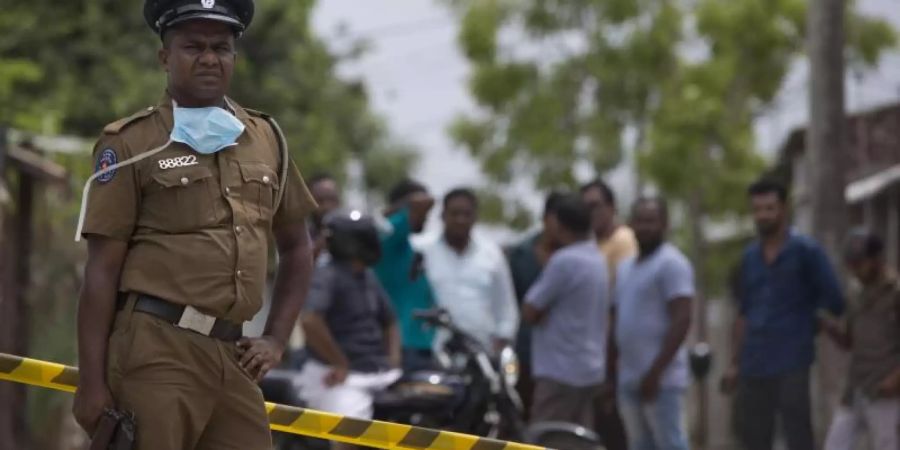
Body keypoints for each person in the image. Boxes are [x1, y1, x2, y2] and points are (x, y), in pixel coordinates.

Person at [72, 1, 317, 448]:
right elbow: (102, 270)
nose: (209, 58)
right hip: (157, 350)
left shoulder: (266, 138)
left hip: (234, 354)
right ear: (165, 57)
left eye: (221, 47)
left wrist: (276, 338)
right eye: (193, 46)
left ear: (234, 58)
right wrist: (90, 383)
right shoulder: (132, 142)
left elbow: (298, 247)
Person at [722, 179, 844, 450]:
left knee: (797, 435)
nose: (763, 215)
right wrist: (734, 363)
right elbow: (743, 312)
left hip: (792, 361)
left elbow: (835, 300)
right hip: (754, 362)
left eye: (769, 208)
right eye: (757, 209)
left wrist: (816, 320)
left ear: (783, 209)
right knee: (754, 438)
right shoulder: (749, 257)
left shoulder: (806, 251)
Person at [298, 210, 402, 450]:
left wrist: (394, 360)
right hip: (338, 377)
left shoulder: (366, 275)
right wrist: (340, 362)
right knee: (349, 436)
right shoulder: (328, 274)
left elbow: (390, 320)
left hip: (377, 371)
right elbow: (310, 320)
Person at [613, 197, 694, 450]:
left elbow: (682, 319)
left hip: (662, 381)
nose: (644, 227)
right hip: (629, 378)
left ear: (665, 224)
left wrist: (655, 373)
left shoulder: (672, 263)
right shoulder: (625, 268)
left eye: (651, 221)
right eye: (639, 220)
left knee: (670, 444)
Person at [522, 193, 608, 429]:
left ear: (559, 224)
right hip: (589, 370)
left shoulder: (564, 261)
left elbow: (530, 310)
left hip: (560, 372)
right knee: (576, 439)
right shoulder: (596, 258)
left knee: (544, 436)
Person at [821, 229, 900, 450]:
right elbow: (849, 341)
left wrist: (896, 379)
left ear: (876, 259)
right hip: (857, 388)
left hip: (886, 390)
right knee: (835, 444)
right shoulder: (856, 295)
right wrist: (827, 326)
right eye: (851, 263)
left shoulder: (895, 293)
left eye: (859, 262)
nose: (854, 269)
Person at [421, 188, 519, 353]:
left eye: (467, 214)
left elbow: (505, 305)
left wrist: (501, 342)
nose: (461, 220)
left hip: (480, 353)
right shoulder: (422, 249)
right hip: (431, 350)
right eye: (455, 213)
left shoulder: (491, 254)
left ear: (475, 217)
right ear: (443, 215)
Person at [580, 179, 634, 450]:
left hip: (614, 354)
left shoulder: (622, 242)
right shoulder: (592, 245)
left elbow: (620, 305)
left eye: (595, 206)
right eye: (584, 207)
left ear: (611, 207)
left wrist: (610, 366)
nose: (590, 213)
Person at [505, 191, 564, 420]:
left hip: (561, 359)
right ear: (546, 218)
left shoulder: (575, 256)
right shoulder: (520, 254)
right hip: (525, 352)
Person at [374, 179, 436, 372]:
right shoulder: (391, 232)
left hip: (420, 345)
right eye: (423, 214)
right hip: (401, 347)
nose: (427, 217)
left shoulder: (406, 245)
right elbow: (423, 202)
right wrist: (404, 205)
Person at [307, 173, 342, 261]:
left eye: (332, 199)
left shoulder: (350, 234)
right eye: (320, 200)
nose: (327, 206)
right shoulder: (299, 237)